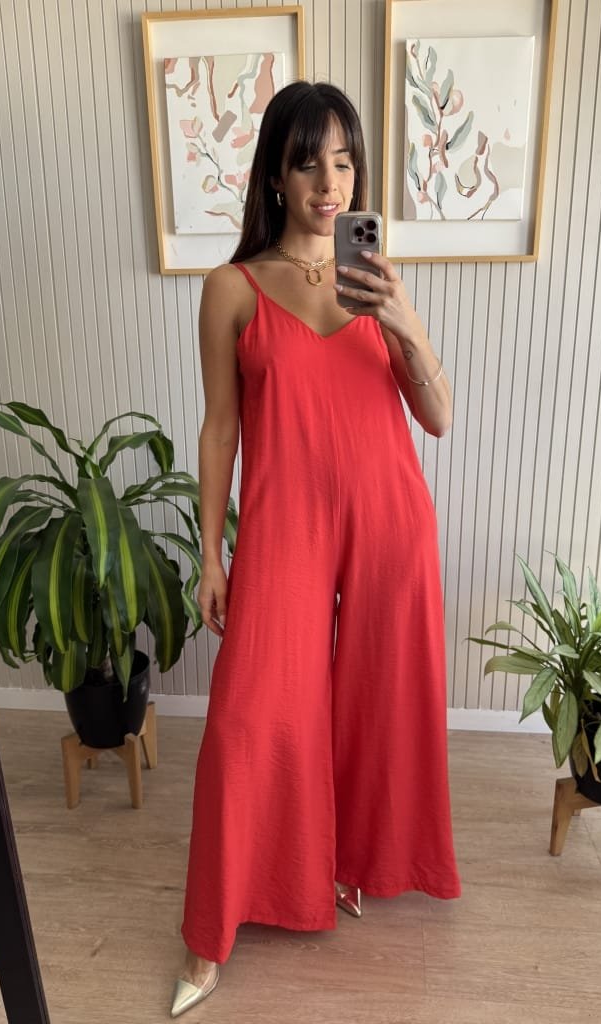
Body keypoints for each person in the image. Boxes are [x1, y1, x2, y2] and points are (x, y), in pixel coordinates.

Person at [170, 80, 461, 1018]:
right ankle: (207, 935)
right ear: (275, 176)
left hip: (390, 521)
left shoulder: (376, 280)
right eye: (308, 163)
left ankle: (348, 863)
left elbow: (438, 416)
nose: (330, 183)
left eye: (343, 161)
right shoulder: (232, 289)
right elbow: (220, 429)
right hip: (285, 525)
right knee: (252, 717)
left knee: (377, 703)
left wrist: (402, 318)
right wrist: (211, 555)